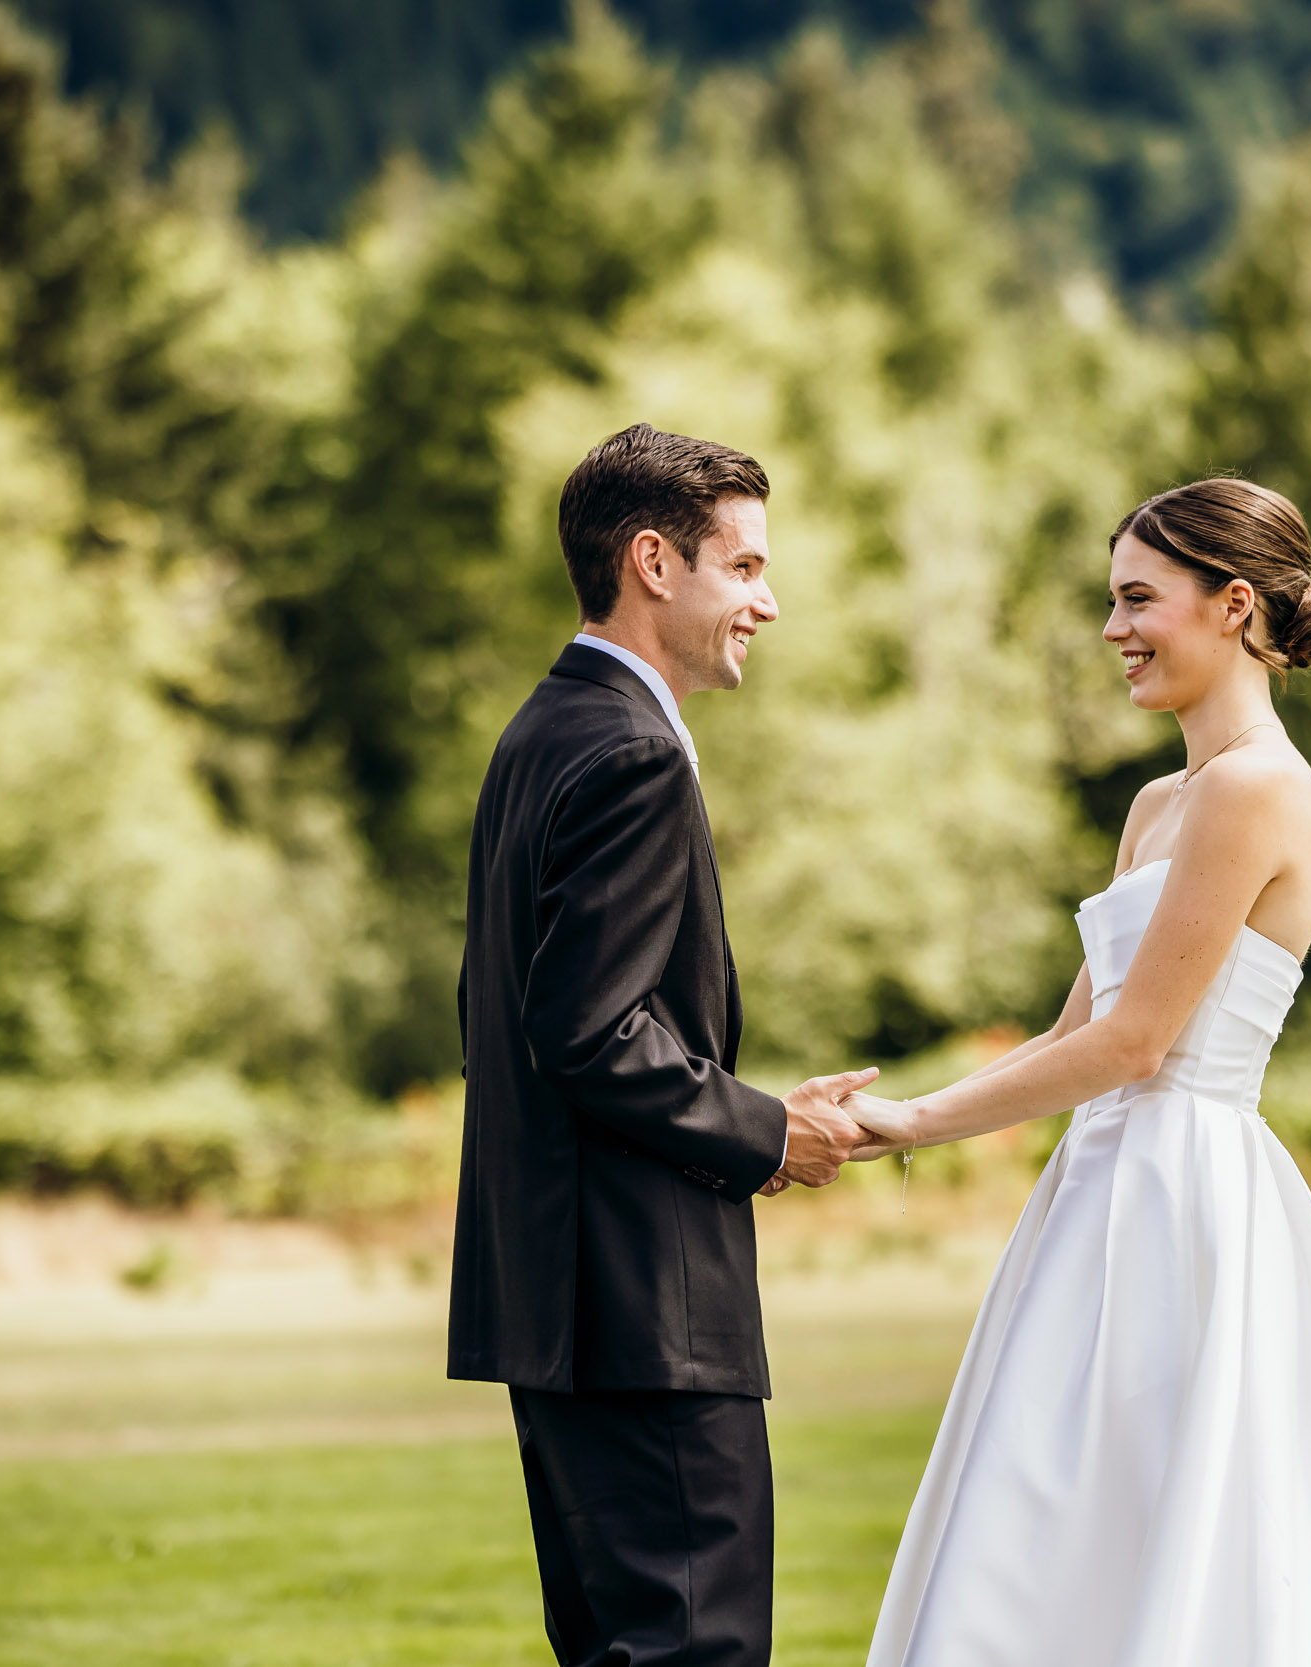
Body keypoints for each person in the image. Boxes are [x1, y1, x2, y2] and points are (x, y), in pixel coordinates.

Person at [848, 479, 1311, 1666]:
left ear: (1234, 604)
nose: (1113, 630)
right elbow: (1071, 1033)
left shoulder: (1259, 787)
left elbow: (1139, 1043)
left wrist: (915, 1124)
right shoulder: (1159, 801)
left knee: (1174, 1502)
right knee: (1050, 1508)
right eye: (1111, 600)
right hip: (1095, 1186)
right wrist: (887, 1103)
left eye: (1138, 598)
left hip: (1183, 1192)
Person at [449, 422, 903, 1667]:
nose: (770, 599)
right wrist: (769, 1130)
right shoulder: (637, 753)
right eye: (745, 567)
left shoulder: (541, 732)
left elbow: (513, 1008)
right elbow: (586, 1029)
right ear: (653, 561)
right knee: (693, 1650)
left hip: (557, 1304)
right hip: (646, 1314)